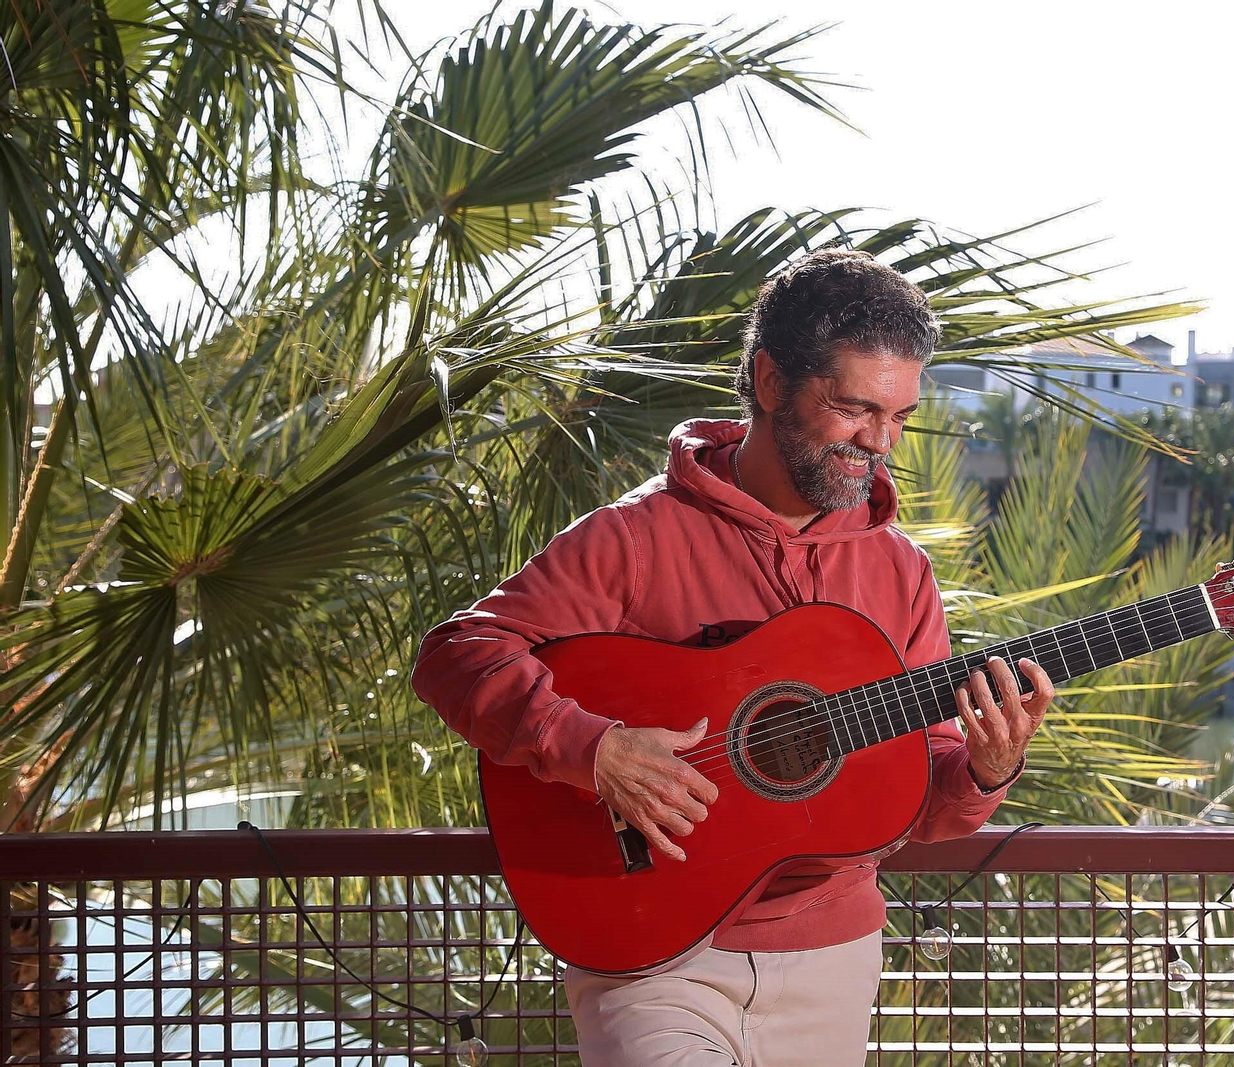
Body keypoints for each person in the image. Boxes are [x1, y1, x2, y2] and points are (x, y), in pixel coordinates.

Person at [411, 248, 1056, 1065]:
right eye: (856, 408)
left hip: (834, 955)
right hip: (651, 945)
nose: (880, 442)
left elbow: (918, 803)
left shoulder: (901, 572)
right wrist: (594, 749)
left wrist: (986, 770)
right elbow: (455, 652)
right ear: (770, 381)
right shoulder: (637, 536)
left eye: (899, 417)